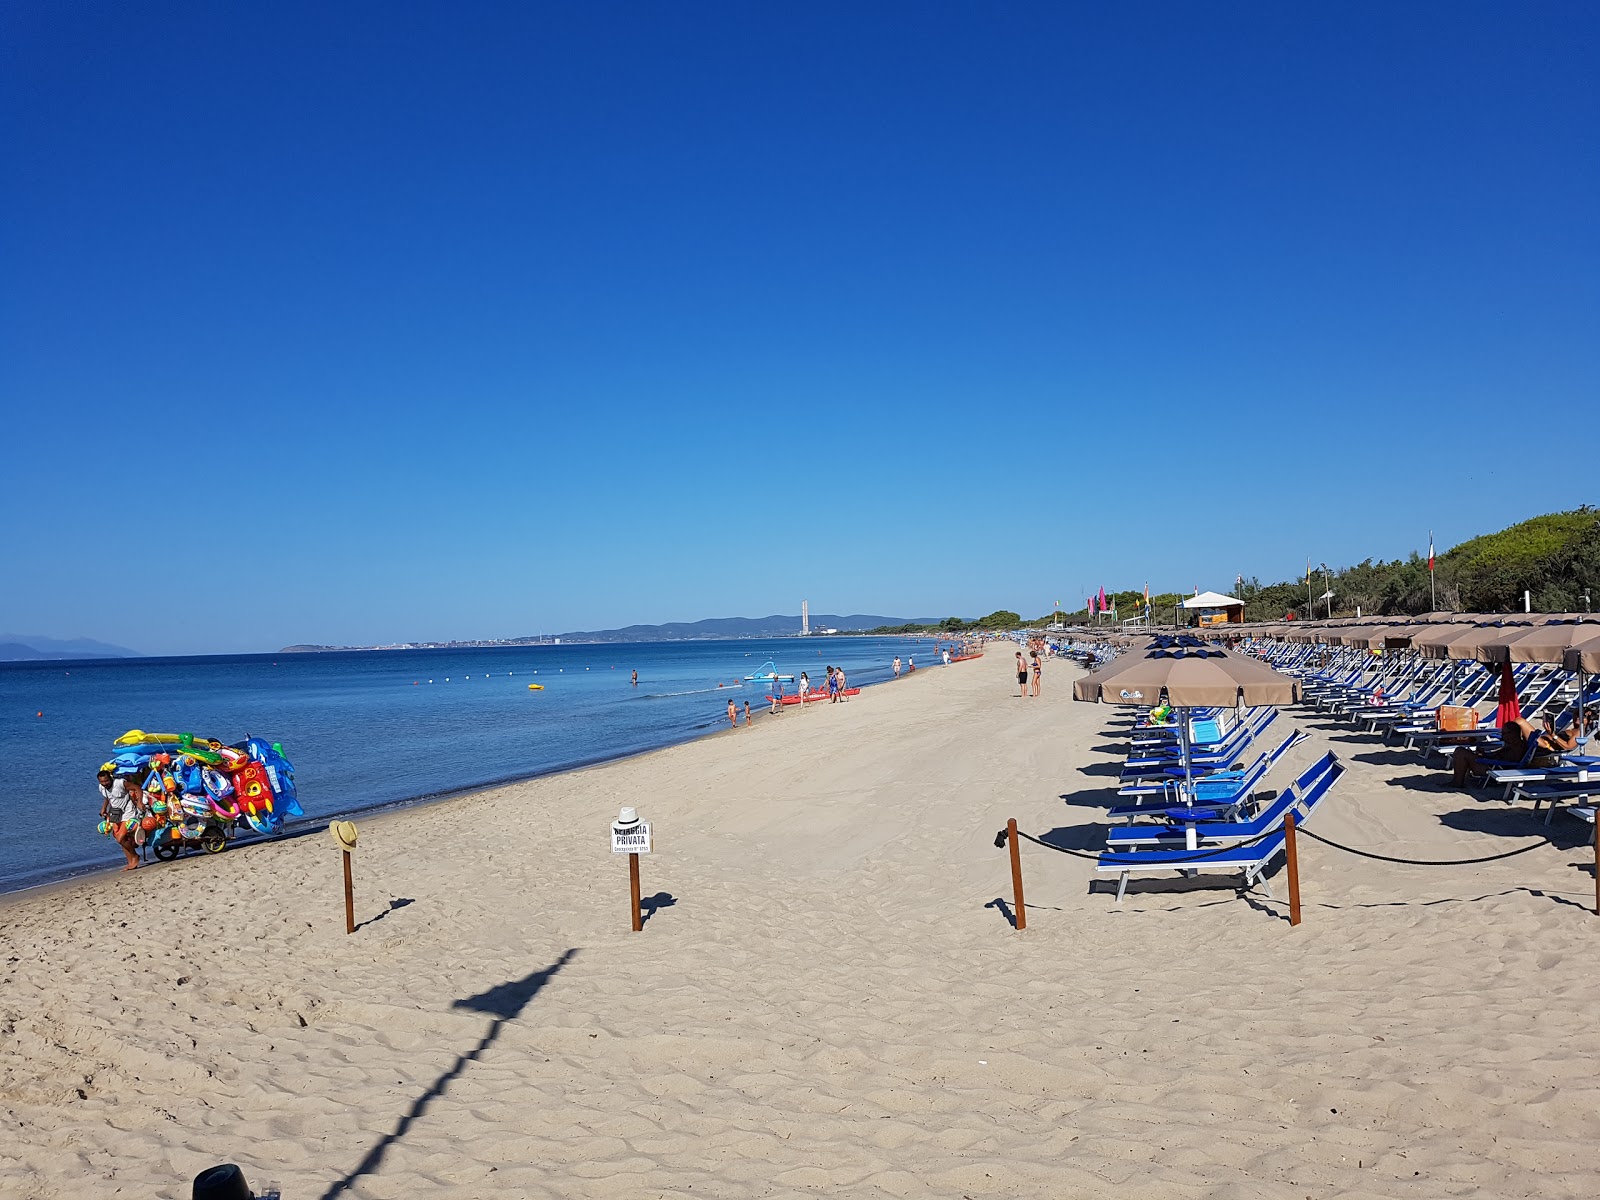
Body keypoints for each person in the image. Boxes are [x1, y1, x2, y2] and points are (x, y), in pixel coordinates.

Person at [1450, 718, 1550, 787]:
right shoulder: (1512, 744)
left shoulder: (1517, 747)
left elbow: (1507, 762)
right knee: (1462, 751)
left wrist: (1487, 758)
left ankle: (1457, 782)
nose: (1502, 736)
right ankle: (1458, 780)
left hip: (1494, 769)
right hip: (1493, 765)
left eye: (1505, 733)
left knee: (1460, 752)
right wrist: (1486, 754)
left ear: (1513, 734)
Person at [97, 768, 143, 871]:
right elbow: (108, 797)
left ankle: (135, 856)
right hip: (116, 815)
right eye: (102, 782)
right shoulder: (102, 787)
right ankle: (130, 861)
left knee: (120, 838)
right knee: (119, 838)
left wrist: (140, 802)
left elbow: (137, 788)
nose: (105, 783)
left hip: (128, 813)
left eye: (106, 781)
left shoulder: (120, 783)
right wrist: (104, 808)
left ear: (111, 778)